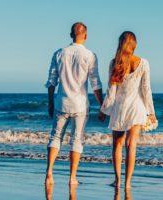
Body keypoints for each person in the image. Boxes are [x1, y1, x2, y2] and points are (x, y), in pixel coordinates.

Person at [45, 22, 104, 185]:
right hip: (80, 104)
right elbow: (95, 83)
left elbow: (51, 82)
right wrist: (103, 106)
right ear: (85, 35)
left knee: (55, 137)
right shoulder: (90, 55)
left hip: (61, 103)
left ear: (71, 35)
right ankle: (72, 178)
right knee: (76, 140)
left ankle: (49, 173)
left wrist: (50, 103)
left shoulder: (59, 53)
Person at [99, 31, 157, 189]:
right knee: (131, 146)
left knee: (117, 145)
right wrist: (151, 112)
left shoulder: (114, 63)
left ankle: (117, 181)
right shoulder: (144, 63)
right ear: (135, 45)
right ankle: (128, 183)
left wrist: (103, 110)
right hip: (137, 108)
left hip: (120, 109)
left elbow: (111, 92)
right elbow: (146, 89)